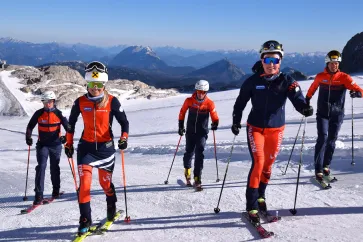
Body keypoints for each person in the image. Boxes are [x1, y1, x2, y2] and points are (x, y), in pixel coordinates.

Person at [231, 40, 313, 223]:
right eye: (267, 60)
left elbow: (297, 98)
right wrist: (236, 122)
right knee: (258, 163)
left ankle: (261, 196)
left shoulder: (287, 81)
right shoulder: (252, 81)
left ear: (280, 61)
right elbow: (240, 102)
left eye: (275, 60)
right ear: (262, 60)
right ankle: (251, 206)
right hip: (255, 129)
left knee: (268, 166)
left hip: (276, 130)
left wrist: (304, 108)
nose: (271, 64)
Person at [64, 61, 129, 235]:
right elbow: (70, 125)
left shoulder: (112, 102)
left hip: (106, 149)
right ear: (87, 84)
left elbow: (124, 123)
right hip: (86, 149)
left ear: (104, 84)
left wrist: (124, 139)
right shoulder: (80, 102)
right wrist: (68, 143)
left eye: (99, 84)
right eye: (92, 84)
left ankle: (111, 206)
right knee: (84, 186)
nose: (95, 88)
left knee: (105, 184)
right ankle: (85, 220)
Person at [306, 50, 363, 182]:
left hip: (337, 114)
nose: (334, 65)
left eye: (336, 63)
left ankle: (326, 167)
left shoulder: (344, 77)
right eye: (332, 63)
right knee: (322, 138)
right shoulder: (320, 76)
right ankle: (318, 170)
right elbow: (313, 88)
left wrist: (357, 94)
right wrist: (307, 100)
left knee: (331, 140)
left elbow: (360, 90)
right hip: (322, 113)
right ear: (327, 63)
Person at [25, 90, 68, 205]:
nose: (47, 104)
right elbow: (30, 126)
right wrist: (28, 137)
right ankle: (38, 195)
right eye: (44, 101)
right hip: (42, 145)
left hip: (56, 145)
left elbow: (68, 128)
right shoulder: (38, 113)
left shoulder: (59, 113)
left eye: (49, 101)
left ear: (53, 101)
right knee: (41, 167)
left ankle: (56, 190)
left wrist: (66, 138)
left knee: (54, 168)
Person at [178, 80, 219, 191]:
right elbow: (182, 112)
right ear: (196, 90)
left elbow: (214, 115)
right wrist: (181, 126)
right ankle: (187, 172)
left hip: (202, 132)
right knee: (189, 152)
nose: (200, 94)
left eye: (203, 92)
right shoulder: (189, 101)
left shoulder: (209, 103)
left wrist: (215, 123)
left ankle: (197, 178)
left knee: (199, 153)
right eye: (199, 91)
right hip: (190, 132)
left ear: (206, 92)